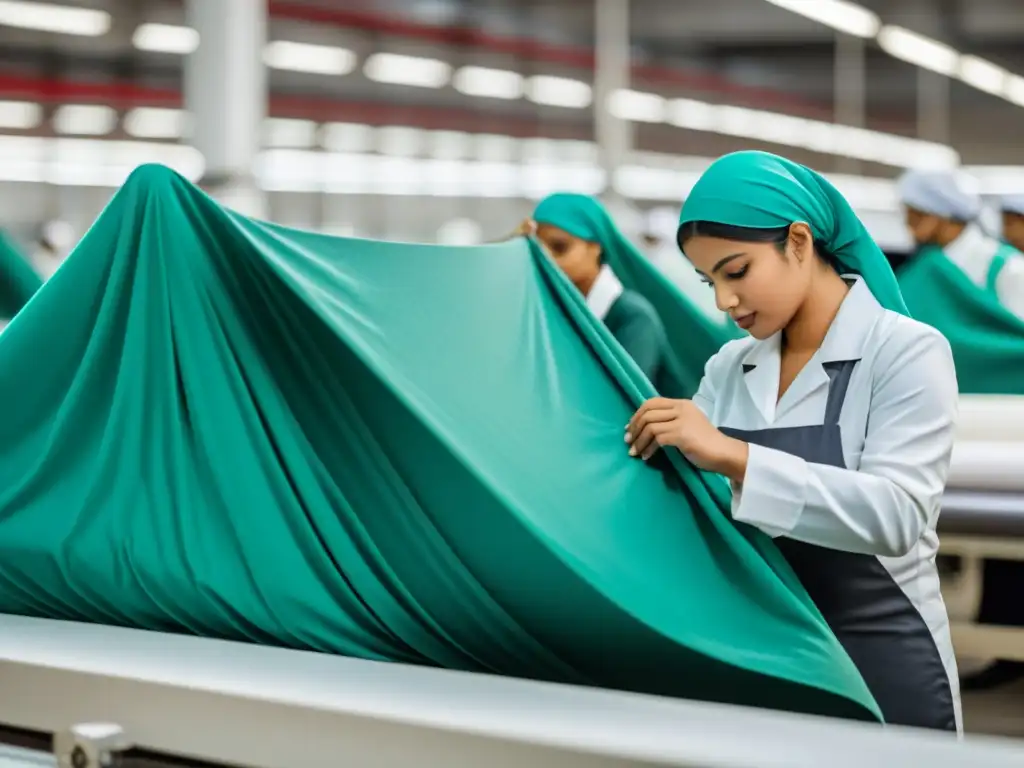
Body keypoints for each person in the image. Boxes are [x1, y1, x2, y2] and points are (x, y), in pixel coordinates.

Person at [624, 151, 961, 733]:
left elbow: (898, 515)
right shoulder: (730, 366)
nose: (723, 302)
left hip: (880, 651)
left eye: (736, 272)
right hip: (765, 649)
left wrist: (734, 454)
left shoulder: (906, 350)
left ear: (800, 242)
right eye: (709, 282)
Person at [515, 194, 670, 385]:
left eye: (559, 247)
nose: (546, 259)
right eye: (537, 249)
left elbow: (623, 399)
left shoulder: (632, 317)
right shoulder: (548, 308)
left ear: (595, 247)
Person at [899, 170, 1024, 319]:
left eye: (914, 216)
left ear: (939, 215)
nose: (907, 224)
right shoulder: (922, 265)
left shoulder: (1007, 267)